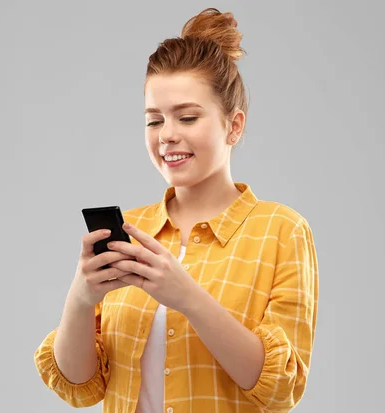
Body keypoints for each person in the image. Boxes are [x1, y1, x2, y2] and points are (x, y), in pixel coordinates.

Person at [34, 8, 318, 413]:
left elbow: (280, 388)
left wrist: (187, 297)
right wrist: (81, 296)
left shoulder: (282, 231)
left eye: (187, 117)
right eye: (154, 121)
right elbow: (79, 385)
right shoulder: (132, 230)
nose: (167, 135)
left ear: (233, 126)